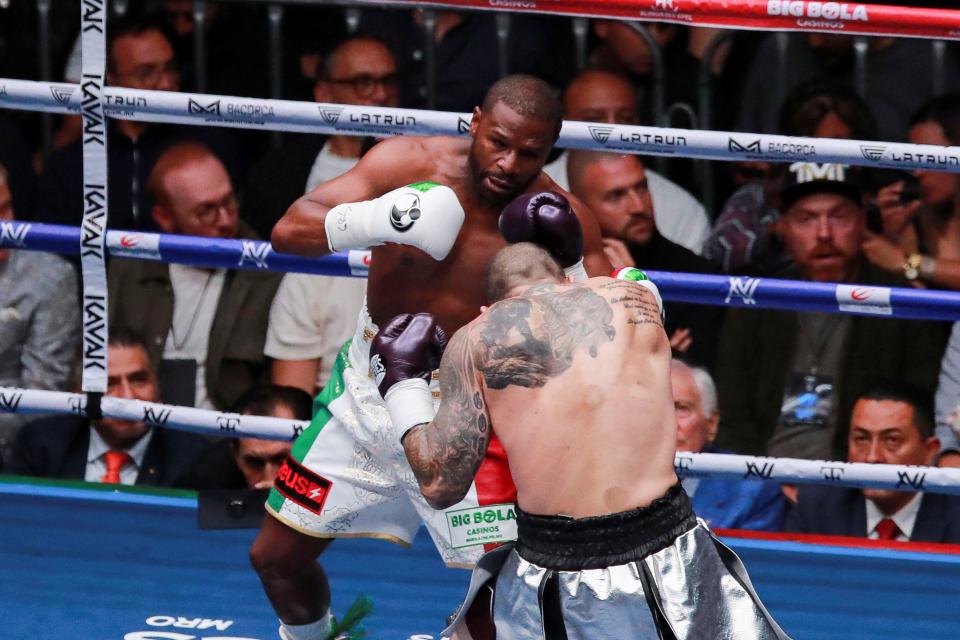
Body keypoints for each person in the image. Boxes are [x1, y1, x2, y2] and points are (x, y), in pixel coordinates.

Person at [249, 74, 611, 640]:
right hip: (369, 390)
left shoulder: (560, 217)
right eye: (498, 141)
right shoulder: (405, 163)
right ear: (474, 121)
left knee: (503, 595)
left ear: (551, 152)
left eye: (529, 153)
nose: (508, 163)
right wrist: (376, 220)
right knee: (275, 558)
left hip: (475, 413)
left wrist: (576, 272)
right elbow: (287, 232)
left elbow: (608, 334)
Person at [370, 243, 789, 639]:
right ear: (568, 281)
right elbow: (637, 292)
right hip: (674, 545)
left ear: (490, 308)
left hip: (554, 566)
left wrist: (402, 388)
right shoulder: (632, 299)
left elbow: (441, 484)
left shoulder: (477, 339)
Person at [714, 162, 948, 461]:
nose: (824, 233)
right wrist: (761, 486)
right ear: (783, 227)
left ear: (863, 221)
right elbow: (731, 417)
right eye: (806, 219)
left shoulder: (900, 302)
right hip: (762, 485)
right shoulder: (756, 300)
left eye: (839, 216)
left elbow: (918, 413)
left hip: (860, 482)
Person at [248, 35, 397, 394]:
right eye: (363, 82)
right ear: (323, 92)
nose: (379, 95)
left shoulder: (423, 170)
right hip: (307, 325)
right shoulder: (280, 174)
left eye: (388, 81)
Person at [108, 142, 281, 411]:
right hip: (140, 428)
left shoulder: (267, 271)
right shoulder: (128, 268)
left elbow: (275, 390)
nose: (225, 220)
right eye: (207, 210)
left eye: (229, 202)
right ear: (164, 217)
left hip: (226, 438)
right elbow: (91, 361)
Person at [40, 13, 241, 232]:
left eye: (170, 69)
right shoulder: (72, 165)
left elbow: (234, 232)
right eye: (146, 73)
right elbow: (55, 251)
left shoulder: (210, 149)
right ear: (111, 80)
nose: (165, 83)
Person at [567, 150, 723, 367]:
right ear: (580, 207)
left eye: (641, 188)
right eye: (616, 196)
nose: (638, 207)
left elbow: (691, 383)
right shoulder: (559, 272)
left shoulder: (697, 278)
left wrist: (634, 291)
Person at [7, 330, 207, 486]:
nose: (128, 397)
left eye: (139, 380)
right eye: (109, 384)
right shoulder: (41, 445)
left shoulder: (193, 460)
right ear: (79, 393)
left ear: (158, 386)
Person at [542, 68, 711, 254]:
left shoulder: (682, 208)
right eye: (593, 121)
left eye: (626, 118)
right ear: (562, 124)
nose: (614, 131)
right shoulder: (529, 195)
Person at [787, 382, 960, 543]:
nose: (872, 457)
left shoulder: (954, 513)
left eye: (892, 440)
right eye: (861, 439)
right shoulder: (818, 506)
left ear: (930, 451)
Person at [0, 162, 80, 465]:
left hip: (11, 461)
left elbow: (42, 399)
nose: (5, 227)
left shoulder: (49, 276)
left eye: (5, 209)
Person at [672, 359, 786, 531]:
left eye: (681, 408)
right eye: (652, 407)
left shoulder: (753, 491)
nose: (667, 422)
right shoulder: (616, 483)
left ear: (711, 424)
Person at [179, 385, 311, 490]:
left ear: (312, 448)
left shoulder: (330, 472)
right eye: (254, 463)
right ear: (236, 455)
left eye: (282, 459)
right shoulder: (206, 482)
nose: (269, 479)